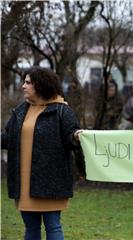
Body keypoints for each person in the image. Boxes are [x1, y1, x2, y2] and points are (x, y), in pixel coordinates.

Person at [1, 66, 84, 240]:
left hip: (51, 183)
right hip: (24, 184)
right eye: (24, 82)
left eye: (28, 82)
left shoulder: (61, 110)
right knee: (30, 227)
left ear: (41, 85)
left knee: (53, 227)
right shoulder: (20, 111)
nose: (23, 86)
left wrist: (76, 136)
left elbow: (71, 135)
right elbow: (8, 139)